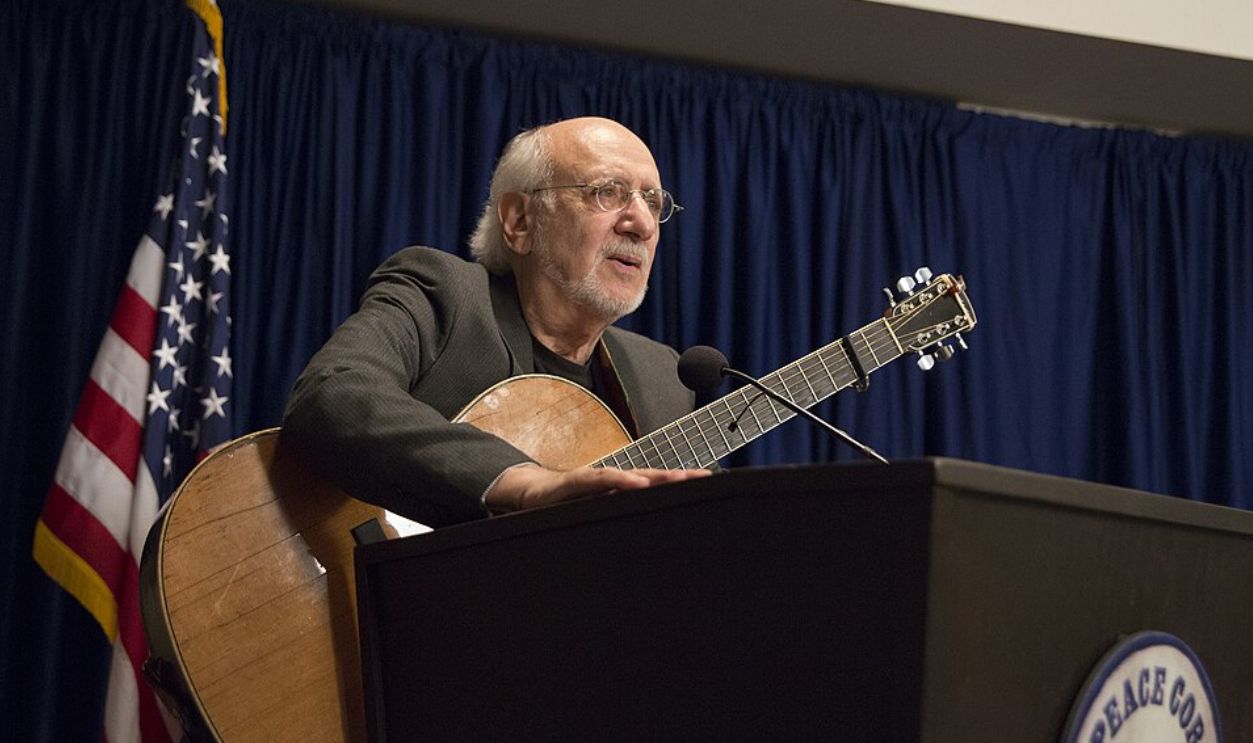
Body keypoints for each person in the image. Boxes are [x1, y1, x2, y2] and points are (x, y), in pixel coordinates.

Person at [282, 117, 711, 528]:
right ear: (519, 220)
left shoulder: (664, 380)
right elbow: (332, 392)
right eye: (607, 192)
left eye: (653, 202)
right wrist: (520, 482)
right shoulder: (442, 294)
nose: (641, 224)